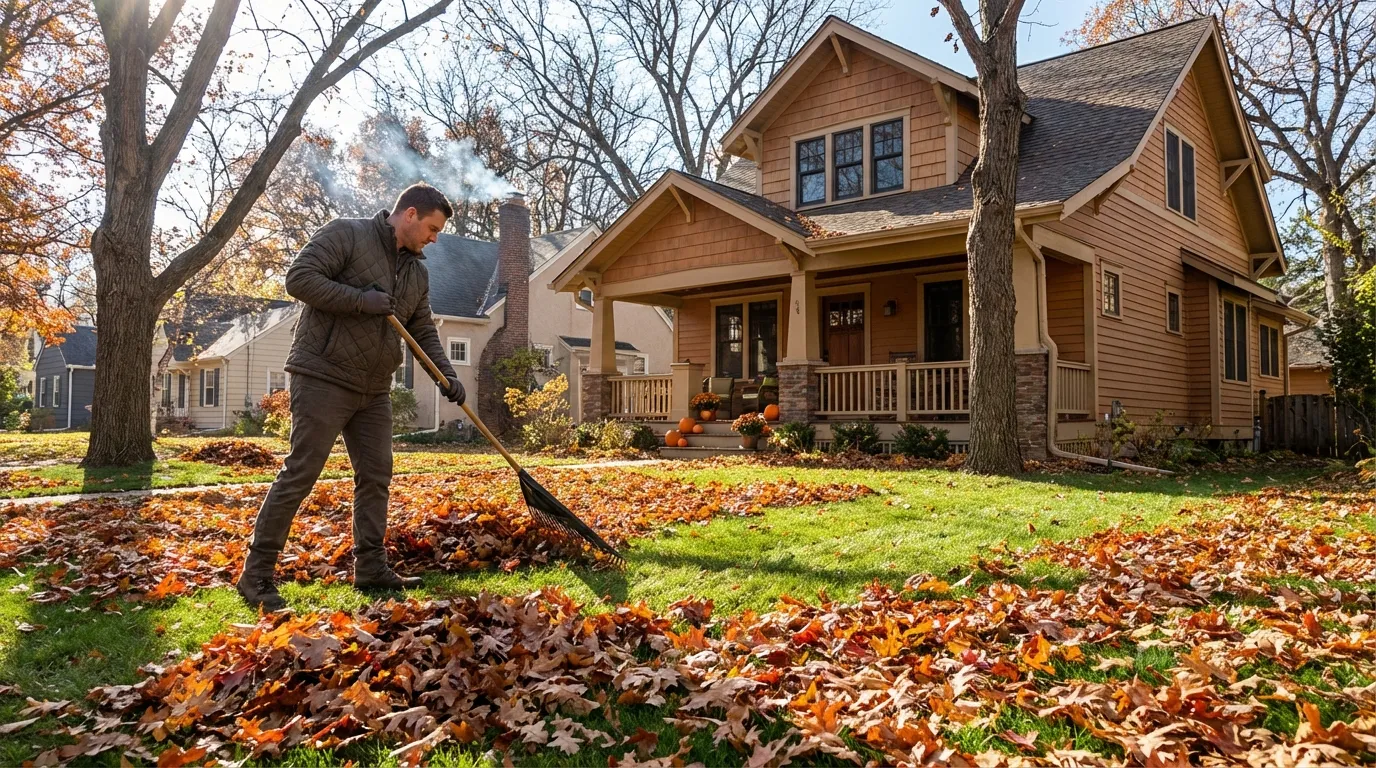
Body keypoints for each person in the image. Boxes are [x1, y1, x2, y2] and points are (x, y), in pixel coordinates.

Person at [236, 183, 465, 611]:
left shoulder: (417, 270)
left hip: (374, 387)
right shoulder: (346, 233)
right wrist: (361, 300)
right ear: (410, 214)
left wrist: (446, 375)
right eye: (432, 228)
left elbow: (422, 329)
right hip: (323, 374)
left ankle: (371, 567)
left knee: (377, 474)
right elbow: (298, 279)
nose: (434, 238)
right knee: (301, 472)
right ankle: (257, 574)